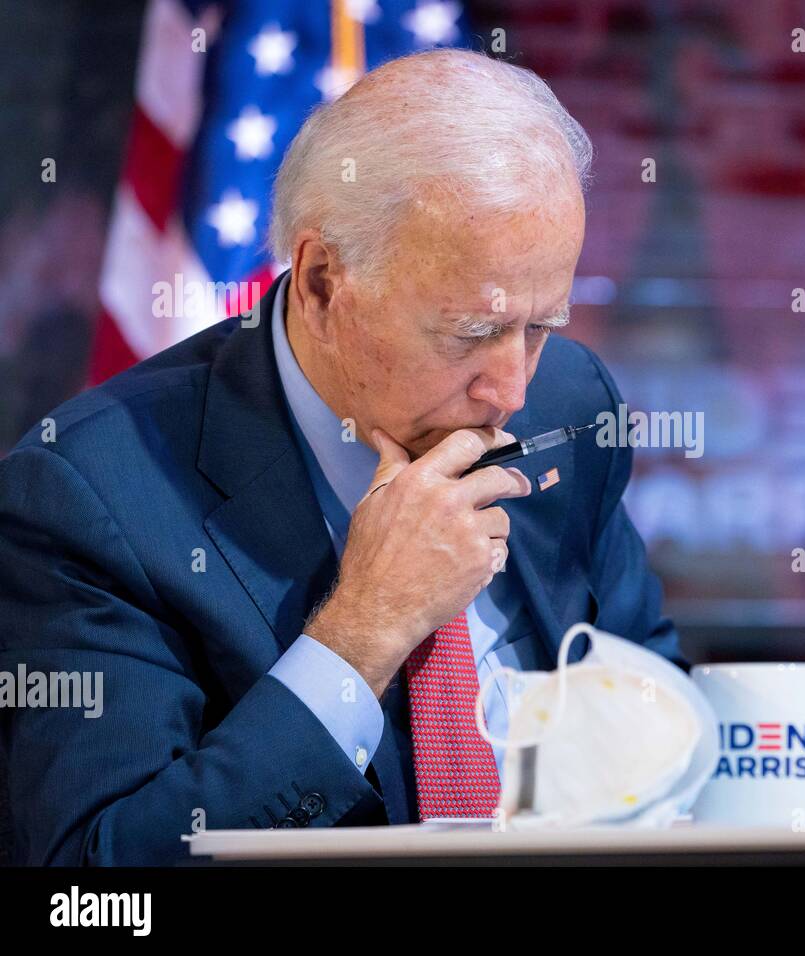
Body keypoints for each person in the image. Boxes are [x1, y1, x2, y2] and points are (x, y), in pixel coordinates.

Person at [0, 49, 685, 866]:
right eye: (470, 333)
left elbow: (658, 718)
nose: (511, 390)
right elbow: (100, 886)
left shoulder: (573, 405)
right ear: (324, 282)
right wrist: (365, 631)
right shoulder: (91, 495)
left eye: (541, 326)